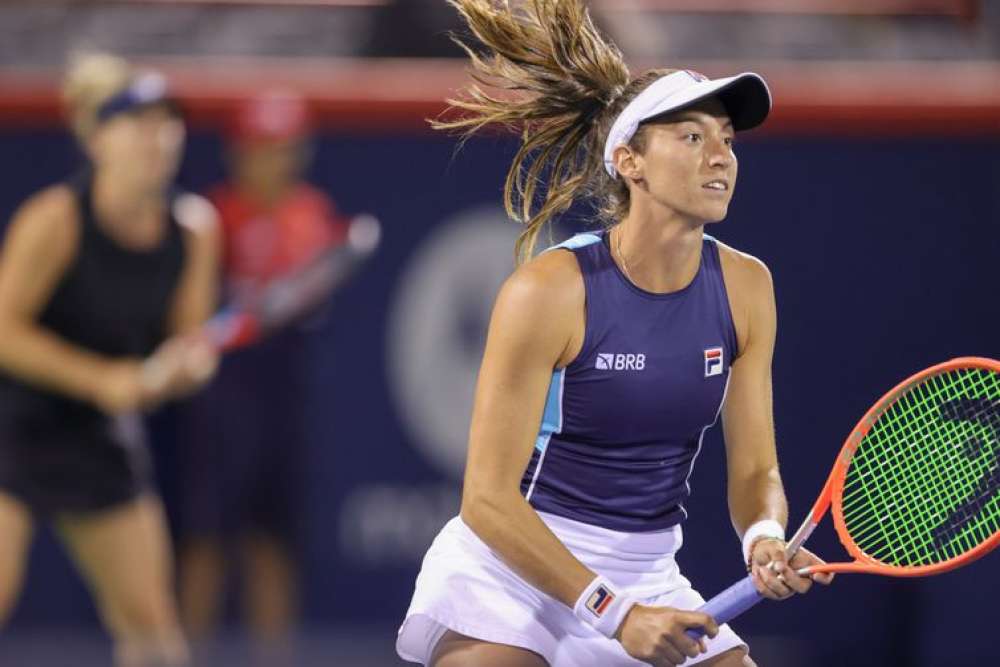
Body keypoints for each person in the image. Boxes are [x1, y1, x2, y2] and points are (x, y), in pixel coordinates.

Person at [396, 2, 834, 666]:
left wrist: (766, 537)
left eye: (727, 139)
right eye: (690, 137)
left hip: (649, 572)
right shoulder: (549, 291)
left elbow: (755, 468)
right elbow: (487, 498)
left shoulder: (747, 288)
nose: (720, 155)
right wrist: (615, 612)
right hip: (515, 569)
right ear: (630, 160)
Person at [0, 52, 219, 666]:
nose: (157, 137)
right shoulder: (53, 221)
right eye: (137, 122)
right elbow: (3, 331)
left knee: (152, 632)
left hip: (99, 437)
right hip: (12, 422)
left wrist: (184, 369)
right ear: (97, 140)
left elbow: (187, 343)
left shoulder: (197, 231)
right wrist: (102, 380)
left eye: (167, 122)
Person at [176, 91, 349, 648]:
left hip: (284, 398)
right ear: (239, 152)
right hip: (219, 401)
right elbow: (191, 317)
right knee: (205, 539)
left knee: (272, 542)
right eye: (263, 148)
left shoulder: (313, 214)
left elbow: (310, 302)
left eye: (287, 148)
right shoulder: (212, 217)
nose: (276, 160)